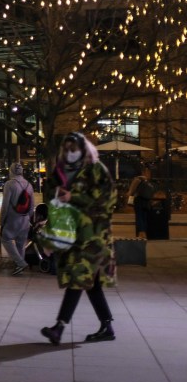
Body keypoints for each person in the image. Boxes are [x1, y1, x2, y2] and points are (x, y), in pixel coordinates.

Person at [40, 131, 117, 346]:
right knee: (89, 284)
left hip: (93, 237)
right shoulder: (60, 172)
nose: (69, 152)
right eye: (66, 148)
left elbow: (108, 199)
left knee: (78, 279)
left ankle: (59, 328)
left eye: (73, 148)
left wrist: (74, 197)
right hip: (72, 237)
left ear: (83, 148)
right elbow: (53, 203)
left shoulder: (95, 169)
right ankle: (107, 325)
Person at [1, 162, 35, 275]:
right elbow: (31, 206)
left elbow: (5, 205)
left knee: (5, 238)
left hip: (12, 218)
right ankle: (19, 267)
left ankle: (20, 263)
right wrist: (28, 218)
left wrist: (2, 220)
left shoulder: (9, 184)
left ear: (11, 171)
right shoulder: (29, 185)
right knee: (21, 244)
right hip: (25, 219)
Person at [127, 167, 152, 240]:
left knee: (139, 217)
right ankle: (145, 233)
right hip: (146, 201)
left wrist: (128, 194)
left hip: (138, 200)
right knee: (144, 217)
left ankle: (141, 234)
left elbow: (131, 191)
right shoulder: (147, 181)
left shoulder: (137, 179)